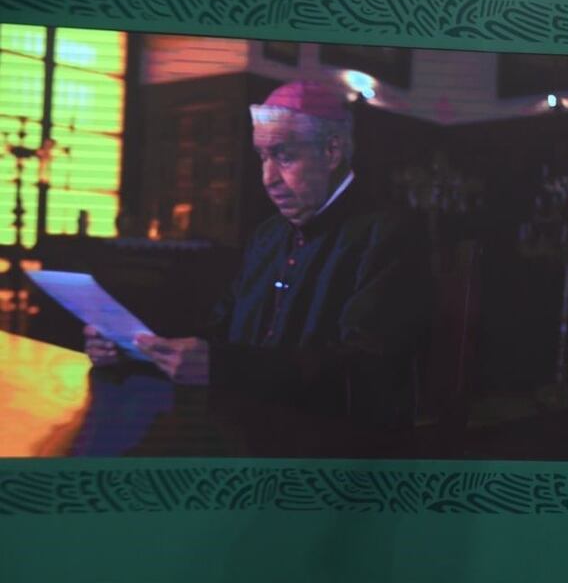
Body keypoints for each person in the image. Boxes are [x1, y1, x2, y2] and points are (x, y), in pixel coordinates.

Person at [86, 80, 433, 437]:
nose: (268, 179)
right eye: (263, 157)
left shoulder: (391, 233)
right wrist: (138, 347)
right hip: (248, 429)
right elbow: (219, 331)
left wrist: (226, 367)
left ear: (332, 151)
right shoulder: (269, 236)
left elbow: (366, 370)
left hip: (336, 447)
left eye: (284, 156)